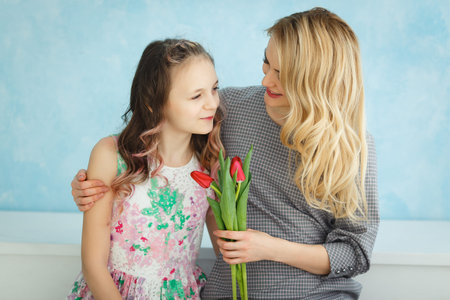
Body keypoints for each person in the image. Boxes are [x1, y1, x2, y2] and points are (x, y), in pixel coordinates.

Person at [71, 7, 379, 299]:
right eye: (265, 62)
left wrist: (270, 248)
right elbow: (160, 131)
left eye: (281, 74)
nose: (265, 79)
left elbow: (356, 252)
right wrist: (91, 184)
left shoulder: (352, 148)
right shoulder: (224, 113)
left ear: (314, 81)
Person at [67, 38, 223, 299]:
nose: (212, 104)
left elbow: (224, 250)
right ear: (154, 102)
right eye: (196, 95)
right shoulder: (111, 156)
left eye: (215, 89)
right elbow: (93, 265)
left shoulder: (210, 162)